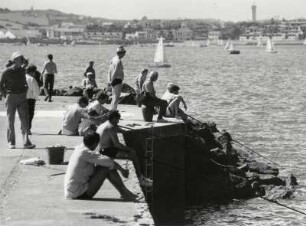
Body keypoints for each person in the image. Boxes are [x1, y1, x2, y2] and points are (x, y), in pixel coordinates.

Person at [64, 130, 137, 200]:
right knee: (106, 168)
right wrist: (122, 170)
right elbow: (109, 162)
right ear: (95, 143)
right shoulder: (86, 152)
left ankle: (124, 192)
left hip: (72, 191)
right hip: (78, 193)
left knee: (104, 165)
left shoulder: (79, 148)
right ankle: (125, 193)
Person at [96, 110, 153, 187]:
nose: (118, 121)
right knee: (132, 154)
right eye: (117, 119)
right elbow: (117, 144)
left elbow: (117, 129)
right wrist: (130, 149)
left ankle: (141, 177)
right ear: (114, 118)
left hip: (102, 149)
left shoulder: (105, 124)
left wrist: (122, 130)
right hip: (106, 151)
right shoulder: (111, 127)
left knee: (131, 152)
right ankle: (140, 178)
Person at [0, 51, 35, 149]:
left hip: (22, 97)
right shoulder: (6, 72)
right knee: (10, 120)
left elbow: (26, 65)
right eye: (20, 59)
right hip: (11, 96)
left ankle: (26, 142)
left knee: (24, 120)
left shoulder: (23, 70)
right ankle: (11, 142)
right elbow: (0, 85)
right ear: (14, 60)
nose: (21, 61)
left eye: (22, 59)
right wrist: (5, 95)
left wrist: (25, 90)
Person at [108, 46, 126, 110]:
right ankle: (113, 111)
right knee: (116, 98)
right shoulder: (118, 61)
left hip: (113, 80)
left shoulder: (113, 59)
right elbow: (114, 72)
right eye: (124, 53)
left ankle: (112, 110)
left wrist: (109, 80)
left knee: (114, 97)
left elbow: (109, 70)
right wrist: (112, 81)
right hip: (117, 80)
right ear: (121, 53)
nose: (124, 54)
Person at [26, 65, 40, 134]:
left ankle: (23, 127)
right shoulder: (31, 79)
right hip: (30, 99)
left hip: (21, 98)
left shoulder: (22, 77)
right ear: (32, 71)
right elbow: (36, 91)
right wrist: (36, 98)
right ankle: (28, 129)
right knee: (30, 114)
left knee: (23, 114)